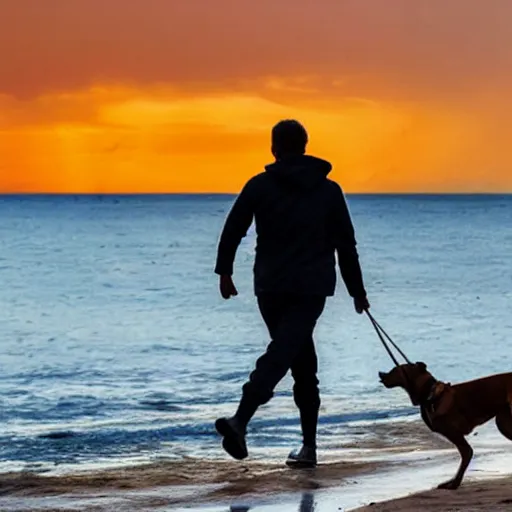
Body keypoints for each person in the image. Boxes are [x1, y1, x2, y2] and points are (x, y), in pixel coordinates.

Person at [214, 120, 369, 468]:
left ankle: (242, 418)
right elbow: (346, 245)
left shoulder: (260, 185)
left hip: (270, 287)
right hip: (310, 287)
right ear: (305, 145)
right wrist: (356, 290)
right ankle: (308, 447)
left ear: (274, 149)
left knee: (285, 352)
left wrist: (225, 271)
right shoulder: (329, 191)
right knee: (298, 359)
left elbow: (232, 230)